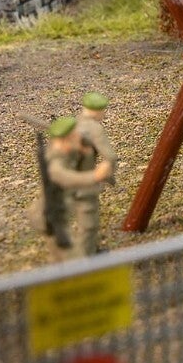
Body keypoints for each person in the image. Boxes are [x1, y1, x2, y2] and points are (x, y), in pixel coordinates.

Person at [33, 116, 113, 261]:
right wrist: (95, 176)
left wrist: (85, 151)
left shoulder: (67, 151)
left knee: (68, 247)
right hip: (49, 215)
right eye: (75, 136)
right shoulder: (55, 162)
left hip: (61, 210)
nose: (79, 137)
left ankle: (83, 259)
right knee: (65, 252)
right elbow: (66, 177)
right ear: (65, 140)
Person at [72, 92, 118, 256]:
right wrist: (107, 173)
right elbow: (110, 156)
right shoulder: (94, 128)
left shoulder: (74, 123)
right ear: (97, 111)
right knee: (88, 222)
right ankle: (86, 257)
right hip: (85, 182)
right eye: (103, 111)